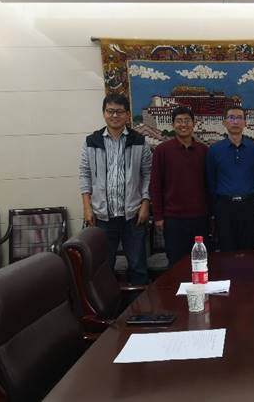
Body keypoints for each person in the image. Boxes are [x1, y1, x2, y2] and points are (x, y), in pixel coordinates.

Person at [79, 93, 151, 284]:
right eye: (110, 111)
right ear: (104, 113)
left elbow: (148, 174)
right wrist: (87, 207)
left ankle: (140, 303)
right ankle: (108, 303)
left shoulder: (139, 141)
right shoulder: (91, 142)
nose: (114, 115)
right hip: (102, 216)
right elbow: (85, 174)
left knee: (138, 266)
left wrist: (145, 204)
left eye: (119, 112)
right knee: (102, 267)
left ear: (127, 115)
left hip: (133, 216)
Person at [149, 106, 209, 266]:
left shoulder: (204, 151)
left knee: (200, 262)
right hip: (173, 219)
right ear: (173, 124)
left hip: (200, 218)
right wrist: (158, 217)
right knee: (176, 263)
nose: (183, 125)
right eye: (179, 121)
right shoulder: (162, 151)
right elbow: (155, 185)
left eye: (187, 121)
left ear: (194, 124)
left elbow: (209, 184)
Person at [206, 106, 254, 252]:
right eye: (231, 118)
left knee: (249, 249)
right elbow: (211, 179)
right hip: (224, 207)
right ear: (225, 122)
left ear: (245, 123)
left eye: (239, 118)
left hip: (248, 205)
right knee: (226, 250)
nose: (235, 121)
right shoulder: (214, 150)